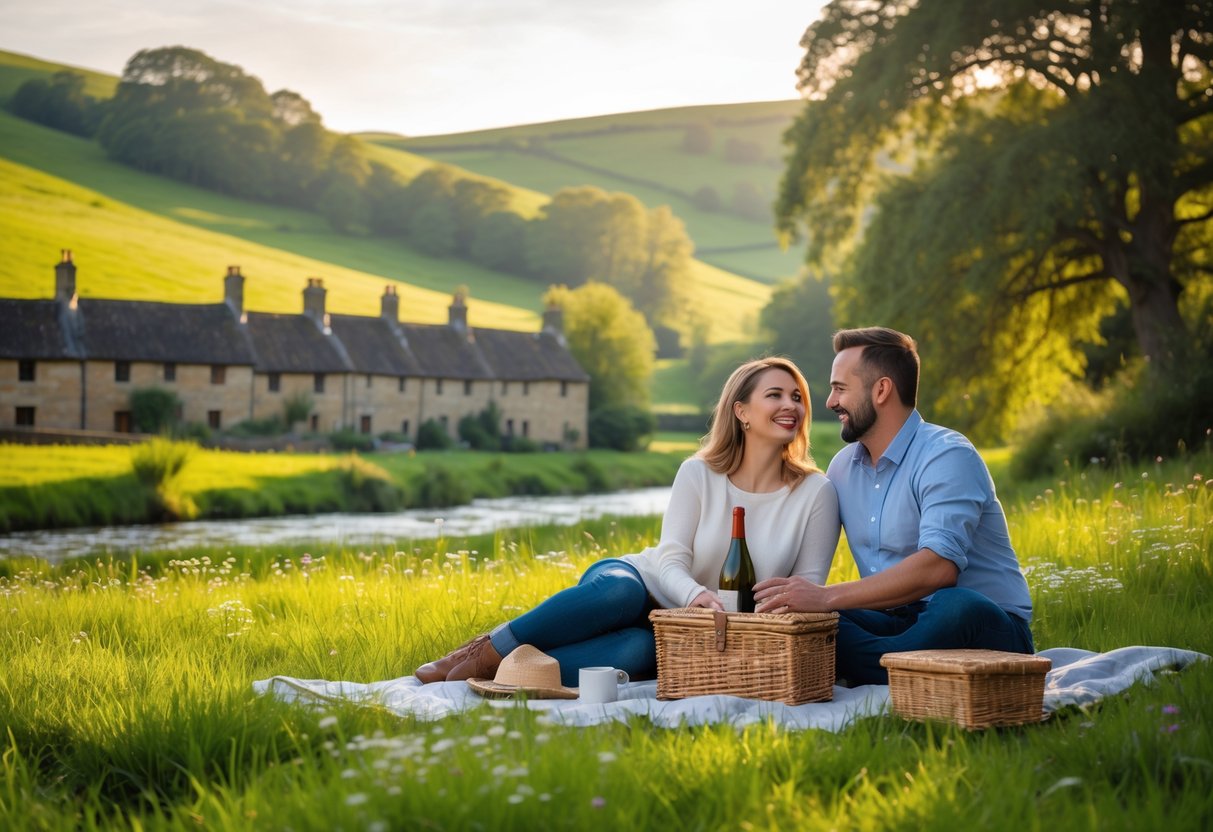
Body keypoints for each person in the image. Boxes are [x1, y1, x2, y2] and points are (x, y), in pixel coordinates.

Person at [415, 357, 841, 687]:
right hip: (643, 584)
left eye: (798, 397)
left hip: (694, 634)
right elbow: (671, 560)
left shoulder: (816, 493)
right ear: (742, 412)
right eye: (776, 395)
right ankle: (482, 653)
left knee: (639, 654)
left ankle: (512, 671)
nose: (791, 406)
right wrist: (695, 596)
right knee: (619, 591)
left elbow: (806, 589)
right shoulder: (699, 474)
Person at [753, 327, 1034, 685]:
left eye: (840, 388)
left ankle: (871, 666)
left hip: (984, 626)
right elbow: (797, 536)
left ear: (881, 390)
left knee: (957, 604)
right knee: (813, 620)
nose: (830, 402)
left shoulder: (946, 455)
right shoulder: (841, 468)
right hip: (896, 621)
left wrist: (825, 596)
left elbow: (938, 569)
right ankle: (901, 667)